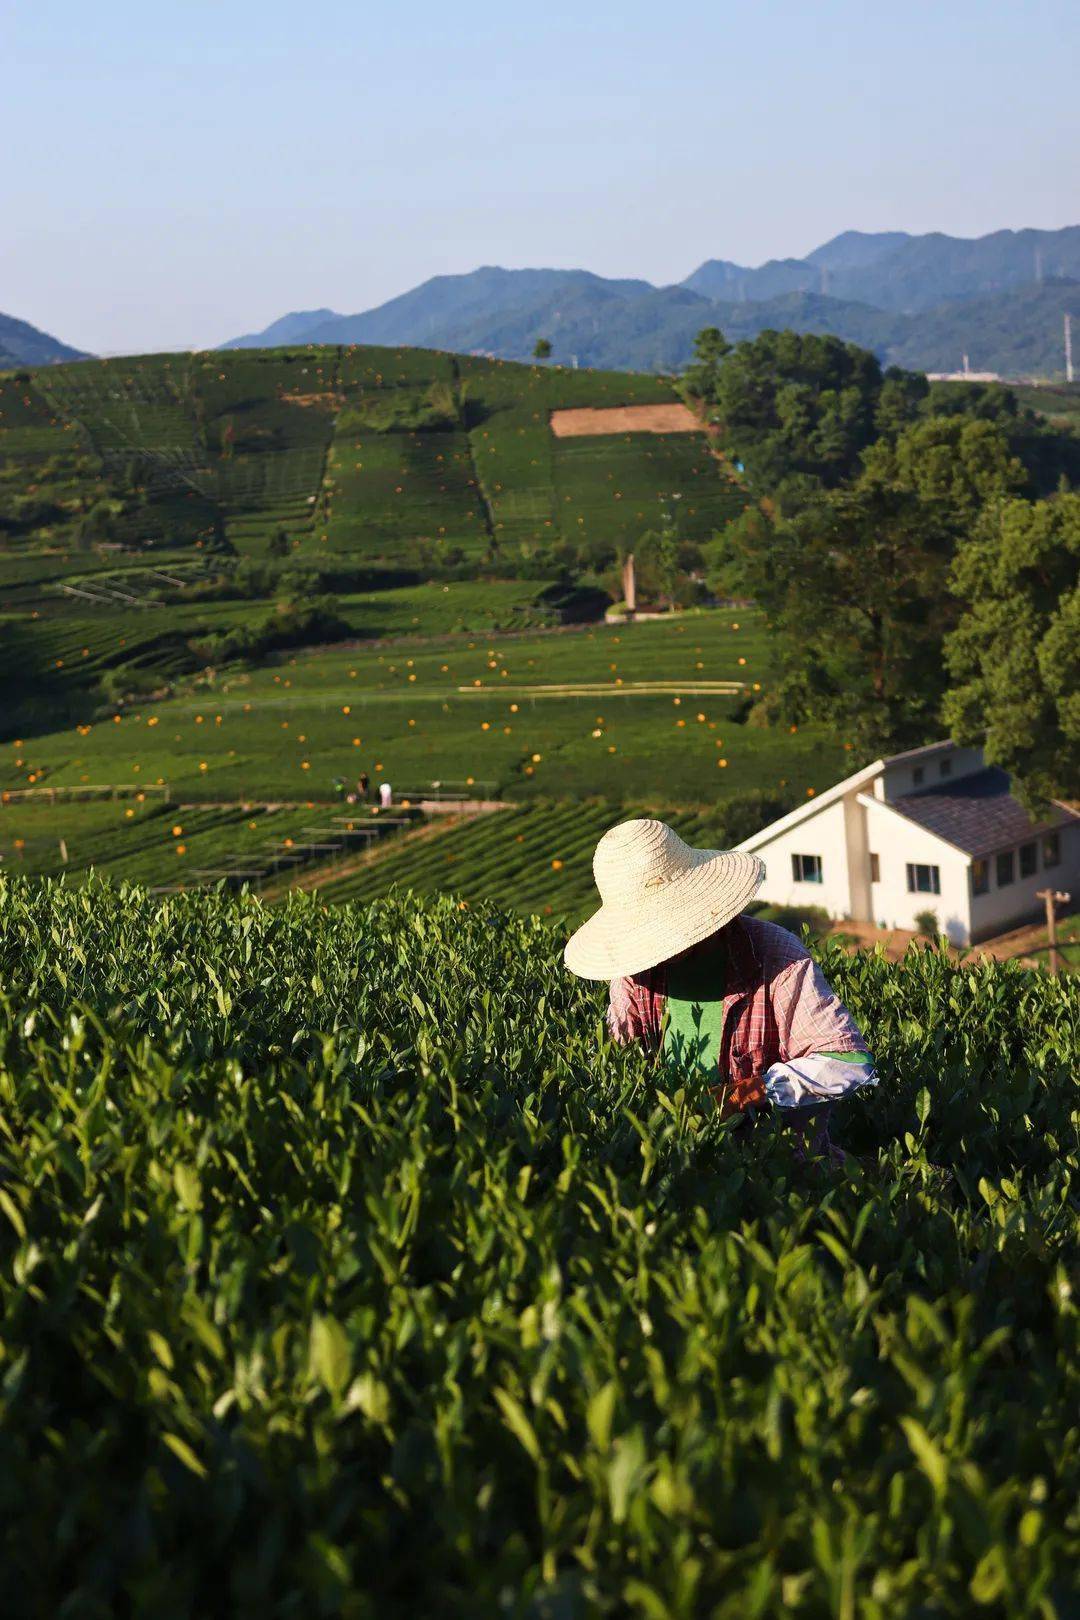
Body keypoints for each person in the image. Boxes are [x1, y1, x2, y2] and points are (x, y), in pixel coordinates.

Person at [563, 819, 876, 1159]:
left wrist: (745, 1093)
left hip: (779, 1167)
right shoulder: (632, 974)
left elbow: (848, 1062)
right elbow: (616, 1062)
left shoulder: (776, 958)